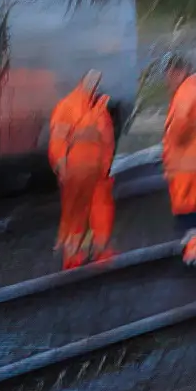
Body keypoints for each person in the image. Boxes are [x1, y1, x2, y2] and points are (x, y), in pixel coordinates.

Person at [47, 69, 118, 269]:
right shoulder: (68, 107)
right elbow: (58, 140)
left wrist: (105, 168)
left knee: (100, 210)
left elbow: (107, 142)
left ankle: (99, 250)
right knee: (78, 214)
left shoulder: (98, 109)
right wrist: (62, 165)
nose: (94, 85)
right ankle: (73, 257)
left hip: (96, 173)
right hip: (77, 172)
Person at [161, 55, 196, 268]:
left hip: (186, 168)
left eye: (168, 76)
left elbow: (178, 130)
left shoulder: (186, 93)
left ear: (177, 71)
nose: (167, 82)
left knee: (191, 216)